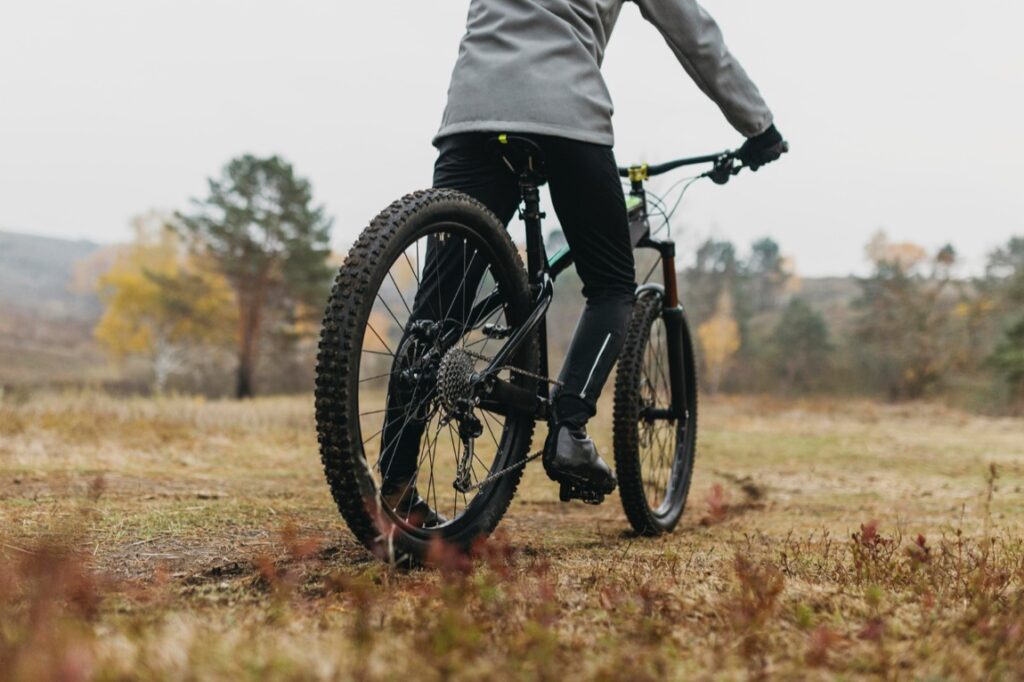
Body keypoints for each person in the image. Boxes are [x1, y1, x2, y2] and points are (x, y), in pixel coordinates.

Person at [381, 0, 787, 523]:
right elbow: (696, 35)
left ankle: (392, 491)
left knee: (436, 309)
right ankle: (569, 427)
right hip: (566, 118)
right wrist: (760, 128)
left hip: (473, 113)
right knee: (613, 286)